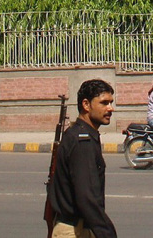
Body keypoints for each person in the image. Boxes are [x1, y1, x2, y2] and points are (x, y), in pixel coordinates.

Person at [48, 79, 117, 238]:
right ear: (86, 105)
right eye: (104, 103)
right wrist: (107, 233)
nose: (110, 108)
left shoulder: (82, 134)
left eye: (111, 102)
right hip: (74, 231)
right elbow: (87, 197)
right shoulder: (82, 142)